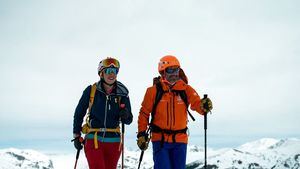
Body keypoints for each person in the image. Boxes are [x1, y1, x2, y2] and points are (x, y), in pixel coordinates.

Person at [137, 55, 213, 169]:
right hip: (160, 140)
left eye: (176, 69)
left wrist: (204, 106)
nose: (174, 73)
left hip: (180, 140)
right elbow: (144, 113)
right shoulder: (153, 91)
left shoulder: (186, 89)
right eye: (170, 70)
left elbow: (197, 105)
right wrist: (141, 134)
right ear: (163, 72)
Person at [73, 57, 133, 169]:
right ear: (101, 73)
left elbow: (129, 120)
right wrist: (76, 135)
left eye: (114, 71)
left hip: (114, 141)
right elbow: (79, 113)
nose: (112, 74)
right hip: (94, 138)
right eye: (108, 71)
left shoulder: (122, 93)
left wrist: (125, 114)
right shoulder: (91, 90)